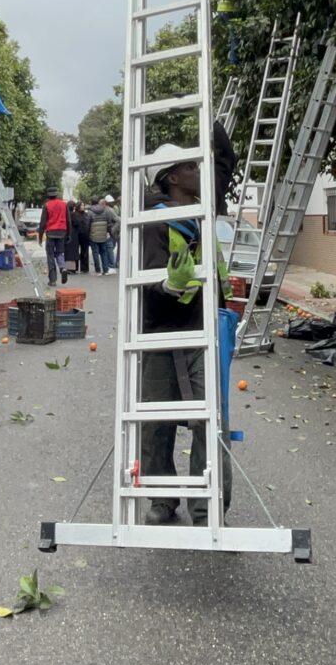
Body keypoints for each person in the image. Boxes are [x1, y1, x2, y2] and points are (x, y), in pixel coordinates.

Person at [139, 124, 237, 526]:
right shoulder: (151, 220)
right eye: (191, 167)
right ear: (173, 178)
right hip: (161, 330)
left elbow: (224, 163)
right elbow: (144, 275)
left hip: (202, 331)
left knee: (209, 422)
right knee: (156, 423)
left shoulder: (203, 205)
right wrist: (166, 284)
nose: (202, 172)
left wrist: (206, 116)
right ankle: (163, 501)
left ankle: (207, 507)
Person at [41, 188, 68, 284]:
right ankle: (63, 267)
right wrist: (69, 234)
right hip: (61, 232)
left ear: (48, 196)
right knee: (60, 253)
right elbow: (68, 220)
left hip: (51, 233)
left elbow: (43, 222)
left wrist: (40, 237)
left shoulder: (47, 205)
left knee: (50, 255)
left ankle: (52, 280)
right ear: (56, 195)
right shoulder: (64, 204)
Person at [88, 196, 119, 273]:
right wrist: (110, 232)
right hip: (104, 234)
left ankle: (98, 269)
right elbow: (108, 223)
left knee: (95, 252)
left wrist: (89, 233)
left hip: (93, 234)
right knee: (104, 252)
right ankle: (105, 269)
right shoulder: (105, 210)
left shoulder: (90, 212)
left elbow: (88, 224)